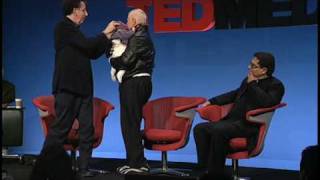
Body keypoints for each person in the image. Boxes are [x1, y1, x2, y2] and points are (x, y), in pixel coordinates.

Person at [38, 0, 119, 178]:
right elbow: (88, 45)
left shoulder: (76, 33)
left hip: (83, 90)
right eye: (84, 10)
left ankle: (84, 169)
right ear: (75, 10)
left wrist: (108, 37)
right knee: (60, 129)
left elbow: (93, 52)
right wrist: (105, 33)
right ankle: (42, 168)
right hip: (67, 88)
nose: (87, 14)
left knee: (86, 130)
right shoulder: (63, 28)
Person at [193, 52, 285, 180]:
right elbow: (235, 94)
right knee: (200, 128)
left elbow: (267, 102)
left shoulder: (276, 85)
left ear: (264, 70)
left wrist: (252, 84)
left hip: (250, 125)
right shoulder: (247, 80)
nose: (249, 67)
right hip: (233, 122)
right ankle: (204, 169)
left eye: (253, 66)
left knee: (219, 130)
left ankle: (216, 174)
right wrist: (212, 101)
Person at [108, 9, 155, 175]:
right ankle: (133, 161)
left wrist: (112, 60)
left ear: (134, 21)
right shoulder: (139, 37)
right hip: (136, 82)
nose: (127, 24)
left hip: (135, 82)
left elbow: (126, 60)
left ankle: (138, 163)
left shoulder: (139, 37)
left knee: (130, 124)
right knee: (129, 123)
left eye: (129, 20)